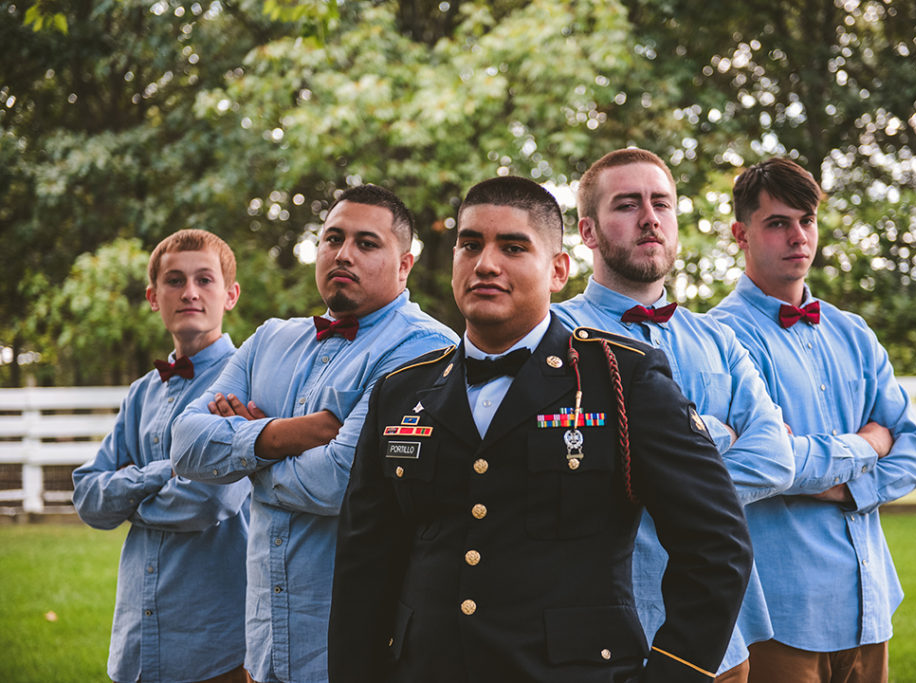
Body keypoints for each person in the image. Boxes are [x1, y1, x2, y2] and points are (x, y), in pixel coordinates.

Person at [328, 176, 752, 683]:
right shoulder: (401, 391)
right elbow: (364, 565)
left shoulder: (624, 377)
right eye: (470, 245)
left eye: (512, 247)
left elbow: (717, 547)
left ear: (557, 270)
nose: (485, 263)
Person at [170, 185, 457, 683]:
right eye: (332, 239)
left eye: (367, 243)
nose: (343, 254)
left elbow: (341, 483)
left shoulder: (425, 346)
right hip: (265, 644)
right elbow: (185, 444)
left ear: (405, 264)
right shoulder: (271, 339)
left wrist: (244, 449)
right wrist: (285, 436)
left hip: (360, 650)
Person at [552, 147, 794, 682]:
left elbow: (776, 455)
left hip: (718, 643)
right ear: (587, 232)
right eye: (627, 205)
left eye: (661, 203)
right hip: (592, 637)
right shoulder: (553, 336)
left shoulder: (720, 340)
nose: (649, 218)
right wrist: (716, 438)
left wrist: (646, 479)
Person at [709, 158, 916, 682]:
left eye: (806, 220)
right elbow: (770, 462)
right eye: (778, 223)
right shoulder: (721, 338)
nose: (797, 236)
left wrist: (841, 488)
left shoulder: (854, 332)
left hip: (870, 603)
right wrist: (869, 444)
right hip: (784, 614)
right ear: (740, 234)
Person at [73, 229, 249, 683]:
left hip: (216, 647)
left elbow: (208, 502)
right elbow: (88, 498)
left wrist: (128, 489)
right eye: (174, 280)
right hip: (136, 643)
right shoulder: (141, 394)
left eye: (204, 279)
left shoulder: (246, 382)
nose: (189, 292)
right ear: (154, 296)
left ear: (229, 294)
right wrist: (166, 472)